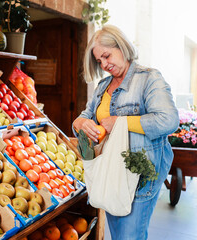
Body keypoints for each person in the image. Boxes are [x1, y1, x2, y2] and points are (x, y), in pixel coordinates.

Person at [72, 25, 179, 239]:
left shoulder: (149, 79)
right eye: (99, 61)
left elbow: (169, 120)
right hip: (112, 171)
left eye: (106, 56)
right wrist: (80, 123)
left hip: (141, 172)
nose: (104, 64)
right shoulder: (102, 86)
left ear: (121, 46)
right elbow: (84, 117)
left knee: (129, 236)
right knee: (119, 234)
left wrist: (121, 122)